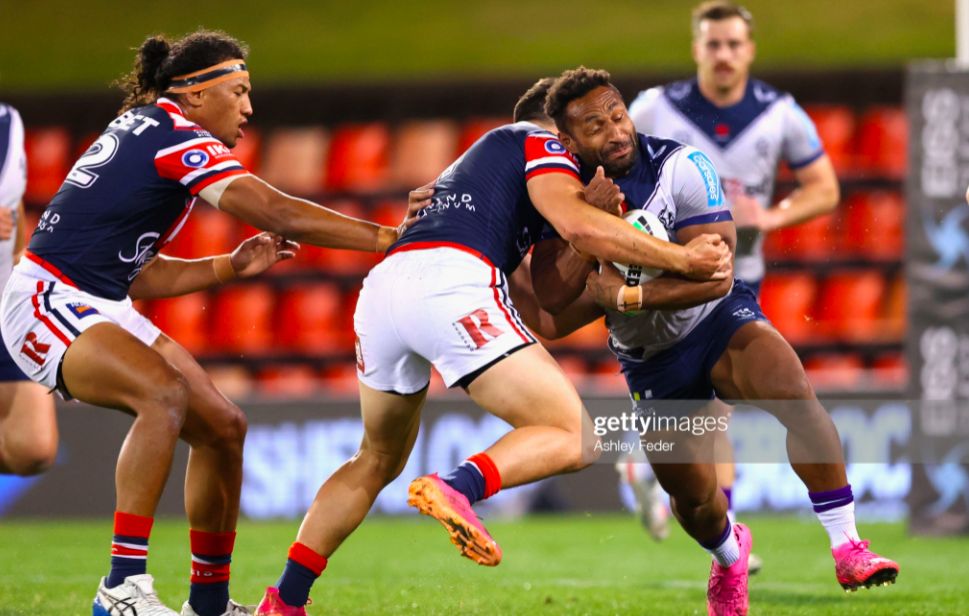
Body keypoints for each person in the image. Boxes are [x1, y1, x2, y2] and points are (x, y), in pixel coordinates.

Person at [252, 77, 732, 616]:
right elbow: (580, 227)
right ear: (559, 132)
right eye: (580, 133)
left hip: (383, 291)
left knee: (375, 458)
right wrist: (682, 260)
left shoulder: (479, 167)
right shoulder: (539, 141)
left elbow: (548, 301)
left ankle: (285, 600)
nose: (588, 145)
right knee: (576, 437)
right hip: (451, 283)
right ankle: (459, 485)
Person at [0, 30, 423, 616]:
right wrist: (386, 237)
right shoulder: (175, 135)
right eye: (238, 91)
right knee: (163, 393)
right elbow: (274, 209)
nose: (248, 108)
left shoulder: (148, 129)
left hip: (95, 298)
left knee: (224, 427)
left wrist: (230, 265)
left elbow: (136, 274)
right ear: (195, 93)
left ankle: (208, 603)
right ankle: (120, 586)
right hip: (45, 299)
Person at [517, 66, 898, 616]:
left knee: (792, 391)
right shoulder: (559, 199)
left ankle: (849, 546)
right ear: (568, 142)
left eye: (618, 116)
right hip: (651, 361)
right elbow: (554, 305)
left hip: (717, 320)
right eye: (596, 127)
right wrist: (589, 228)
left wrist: (625, 296)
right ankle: (729, 557)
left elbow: (716, 276)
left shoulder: (681, 166)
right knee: (694, 502)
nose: (616, 131)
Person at [618, 2, 842, 563]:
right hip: (670, 286)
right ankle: (721, 529)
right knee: (710, 415)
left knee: (716, 414)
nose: (723, 54)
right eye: (713, 44)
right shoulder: (654, 108)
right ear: (697, 49)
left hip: (739, 280)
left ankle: (670, 485)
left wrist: (772, 217)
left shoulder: (779, 113)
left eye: (734, 44)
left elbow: (824, 188)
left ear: (750, 50)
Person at [0, 102, 58, 478]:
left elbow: (12, 198)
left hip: (4, 304)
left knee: (33, 448)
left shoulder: (9, 120)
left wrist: (22, 254)